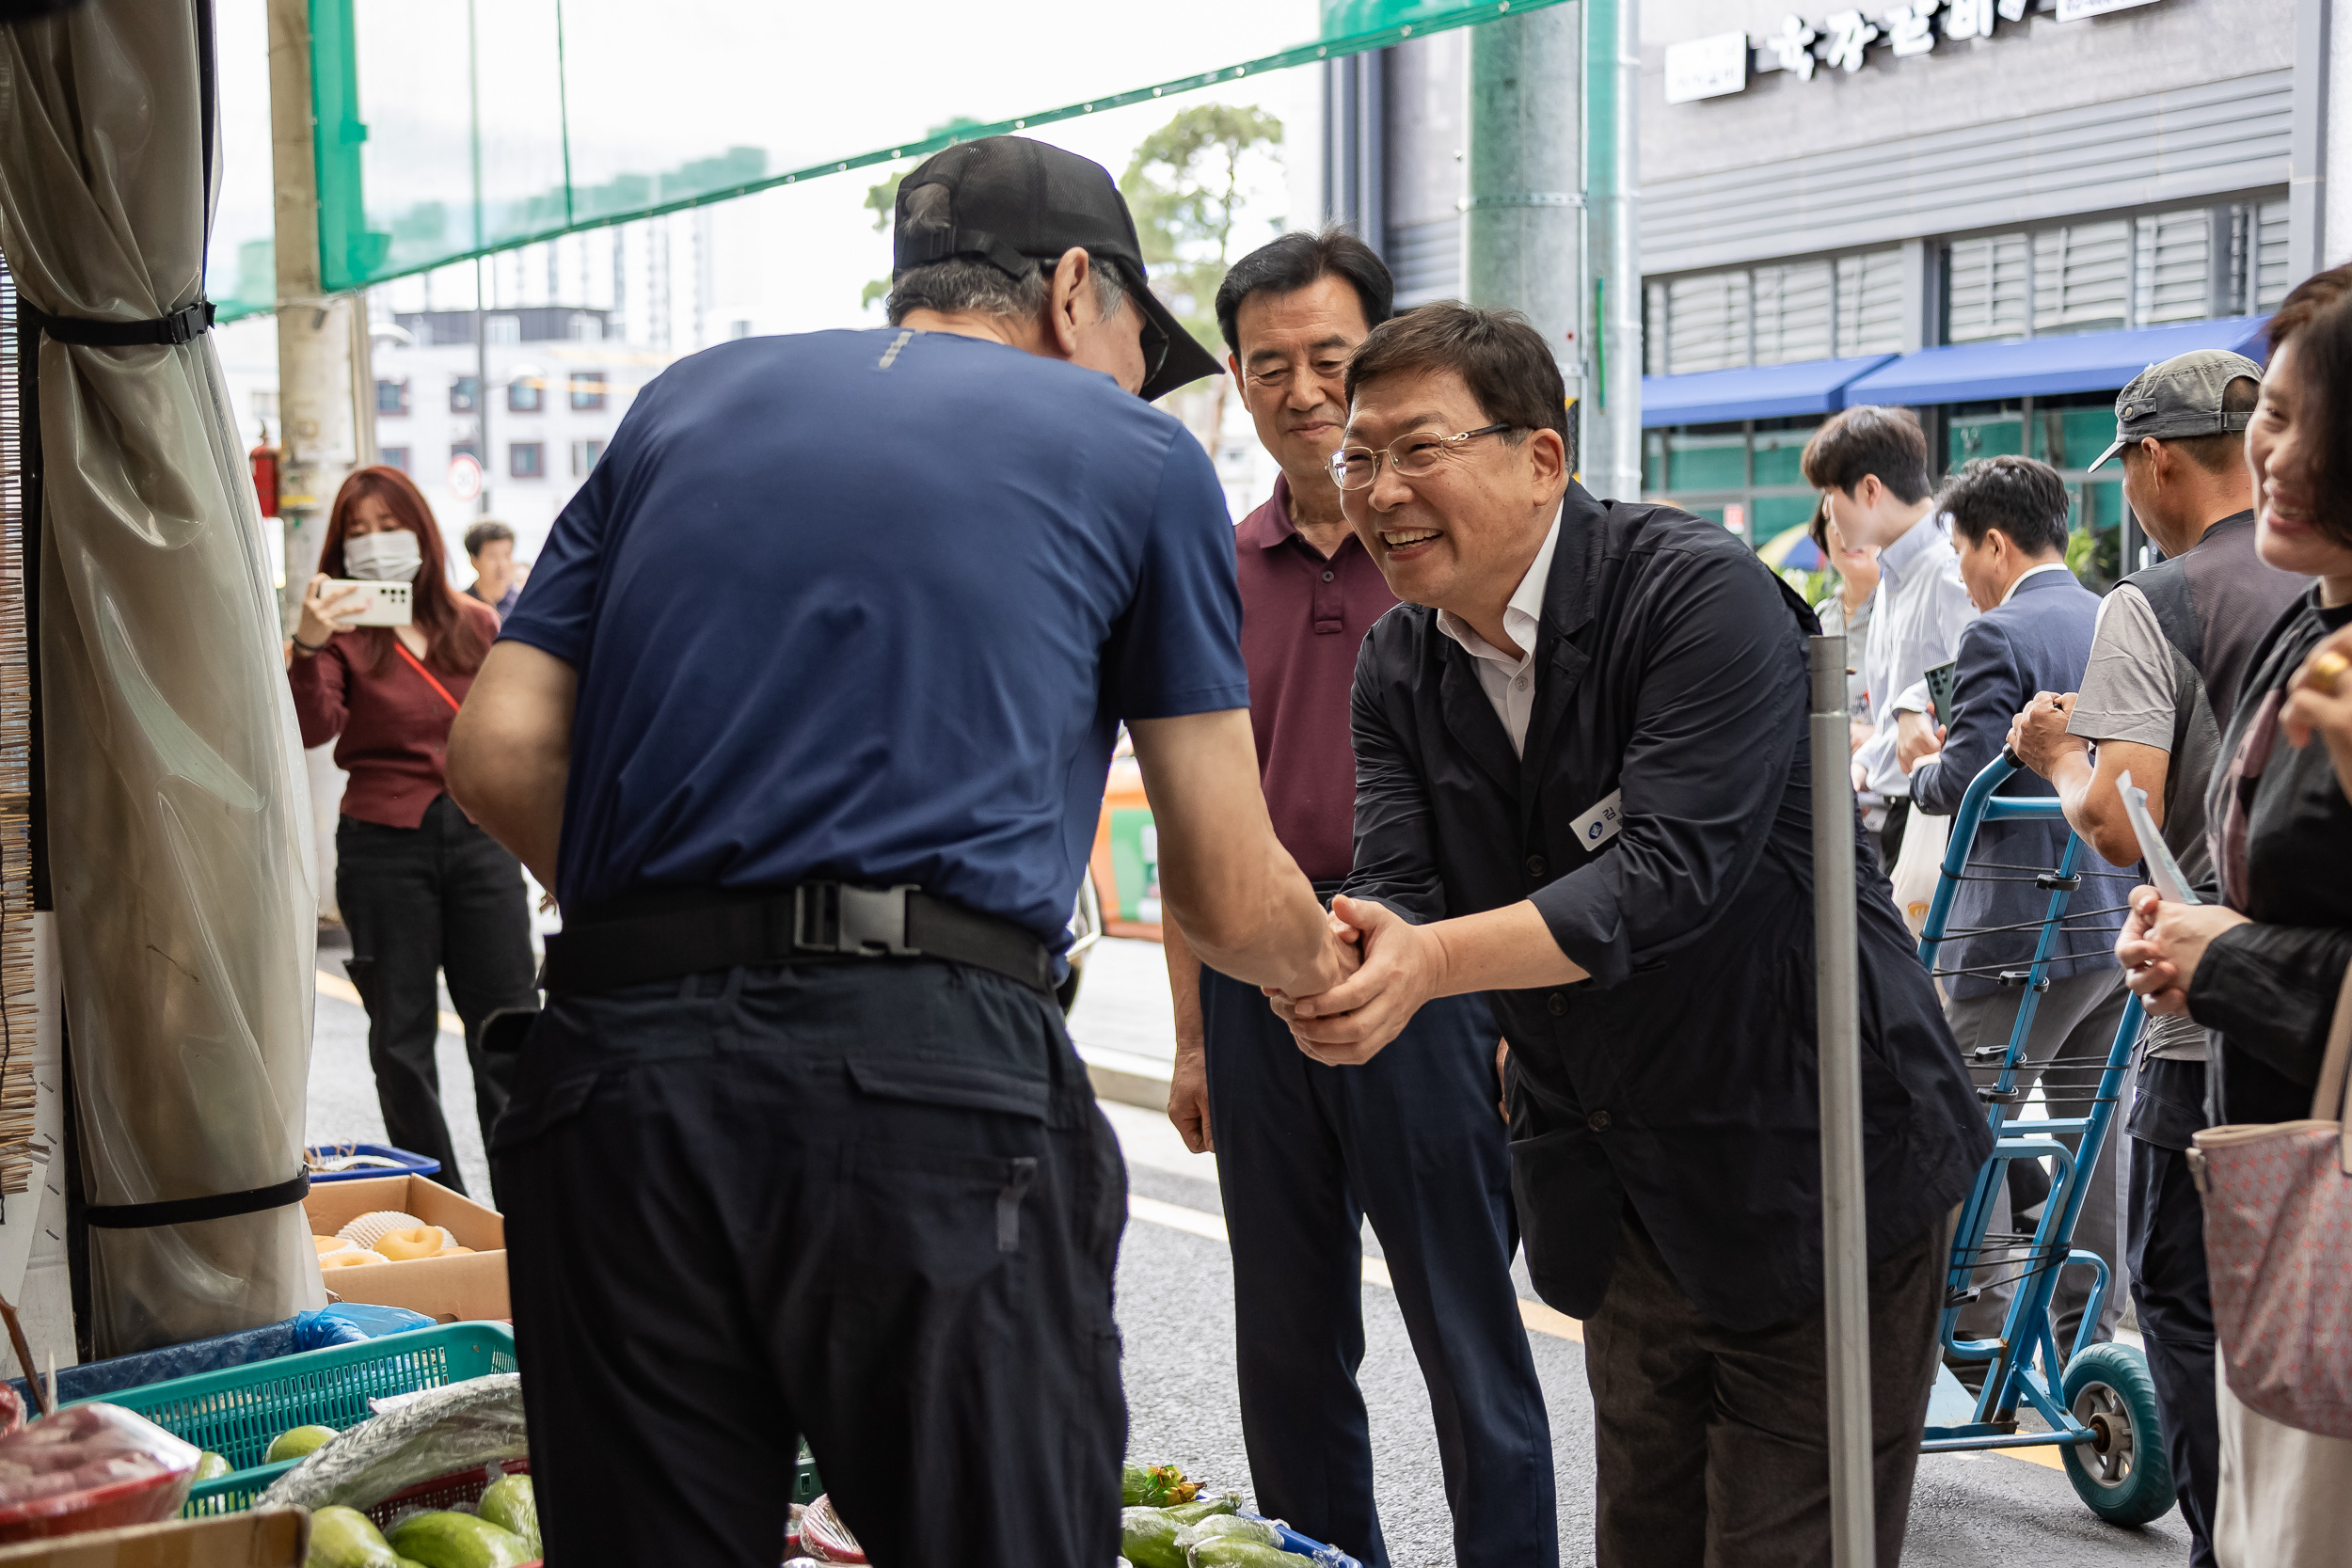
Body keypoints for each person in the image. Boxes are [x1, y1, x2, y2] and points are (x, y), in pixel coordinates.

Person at [444, 136, 1355, 1568]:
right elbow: (1229, 888)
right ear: (1073, 289)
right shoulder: (1135, 455)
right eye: (1138, 339)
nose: (1139, 379)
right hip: (927, 1082)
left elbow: (495, 752)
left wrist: (697, 902)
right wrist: (1328, 968)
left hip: (616, 1077)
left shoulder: (688, 403)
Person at [1274, 304, 1992, 1565]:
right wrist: (1327, 945)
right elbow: (1404, 884)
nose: (1379, 491)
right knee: (1644, 1538)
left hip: (1813, 1158)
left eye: (1417, 448)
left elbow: (1669, 874)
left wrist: (1428, 962)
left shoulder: (1691, 591)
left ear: (1543, 458)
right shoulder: (1401, 661)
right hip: (1620, 1186)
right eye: (1356, 456)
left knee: (1786, 1545)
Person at [1158, 233, 1553, 1568]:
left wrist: (1514, 1006)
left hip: (1434, 970)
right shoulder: (1207, 564)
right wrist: (1197, 1033)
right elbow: (1186, 816)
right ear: (1239, 380)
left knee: (1464, 1327)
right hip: (1257, 978)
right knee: (1285, 1334)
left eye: (1331, 357)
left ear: (1383, 359)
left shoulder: (1453, 541)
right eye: (1269, 366)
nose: (1304, 390)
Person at [2005, 347, 2298, 1563]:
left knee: (2183, 1289)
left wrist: (2058, 754)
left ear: (2152, 457)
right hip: (2319, 1014)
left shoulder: (2159, 599)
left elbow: (2125, 815)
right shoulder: (2315, 583)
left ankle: (2235, 1539)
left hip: (2203, 1019)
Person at [2117, 265, 2352, 1568]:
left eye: (2307, 418)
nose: (2270, 446)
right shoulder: (2293, 617)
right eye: (2268, 414)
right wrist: (2190, 933)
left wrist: (2228, 953)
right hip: (2276, 1149)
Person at [1901, 455, 2135, 1365]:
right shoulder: (2115, 616)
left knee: (1961, 1109)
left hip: (2013, 930)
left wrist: (1913, 765)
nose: (1962, 570)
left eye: (1962, 549)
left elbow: (1962, 780)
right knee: (2092, 1129)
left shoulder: (1995, 635)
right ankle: (2089, 1331)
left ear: (1995, 542)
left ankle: (1975, 1314)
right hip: (2107, 921)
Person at [288, 466, 535, 1198]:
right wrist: (306, 645)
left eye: (385, 525)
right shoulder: (338, 638)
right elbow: (312, 726)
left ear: (420, 531)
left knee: (508, 1030)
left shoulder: (476, 624)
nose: (373, 541)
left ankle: (527, 1211)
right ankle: (448, 1209)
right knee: (401, 1042)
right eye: (356, 531)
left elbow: (517, 736)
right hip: (383, 844)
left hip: (481, 837)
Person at [1804, 406, 1978, 869]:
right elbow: (1889, 721)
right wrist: (1860, 767)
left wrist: (1911, 704)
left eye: (1830, 493)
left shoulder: (1948, 569)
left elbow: (1980, 674)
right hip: (1898, 812)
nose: (1827, 512)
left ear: (1869, 490)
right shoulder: (1894, 576)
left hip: (1938, 819)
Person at [1810, 497, 1885, 832]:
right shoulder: (1818, 618)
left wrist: (1874, 734)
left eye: (1854, 525)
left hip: (1887, 801)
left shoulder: (1897, 613)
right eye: (1834, 526)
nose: (1845, 536)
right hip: (1830, 798)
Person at [463, 520, 519, 621]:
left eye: (507, 555)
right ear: (474, 560)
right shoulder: (461, 607)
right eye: (492, 556)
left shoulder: (524, 606)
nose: (502, 565)